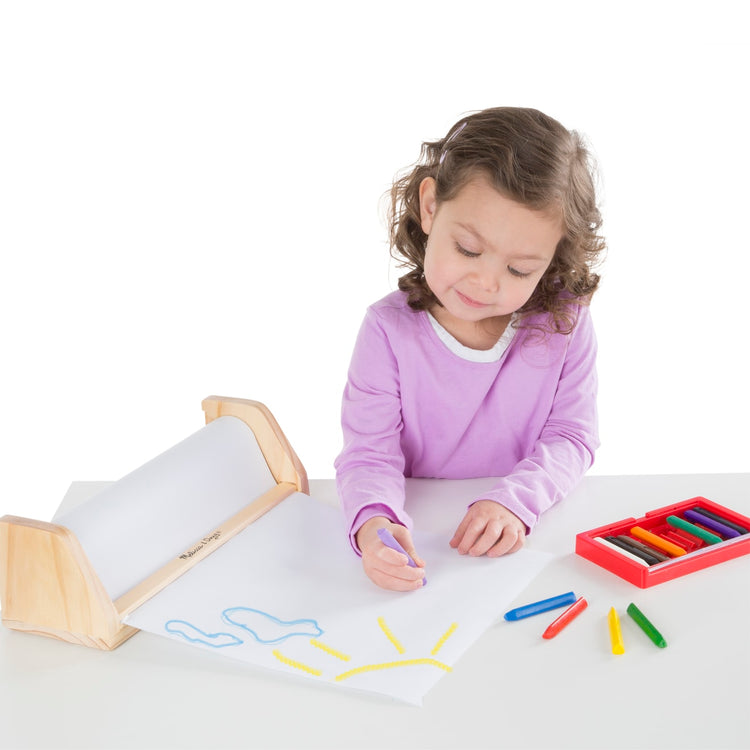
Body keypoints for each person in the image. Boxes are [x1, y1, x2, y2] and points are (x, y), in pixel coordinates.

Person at [334, 107, 605, 591]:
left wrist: (514, 502)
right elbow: (369, 454)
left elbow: (572, 436)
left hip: (522, 551)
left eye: (520, 270)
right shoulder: (386, 330)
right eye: (468, 249)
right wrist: (375, 524)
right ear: (431, 206)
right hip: (432, 550)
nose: (485, 283)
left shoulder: (565, 322)